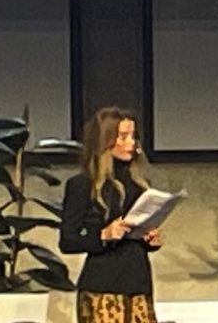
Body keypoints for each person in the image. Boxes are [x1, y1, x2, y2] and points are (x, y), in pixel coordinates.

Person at [60, 107, 163, 323]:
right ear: (105, 141)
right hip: (103, 286)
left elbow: (137, 237)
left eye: (133, 136)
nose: (131, 143)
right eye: (123, 137)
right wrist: (103, 236)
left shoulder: (141, 185)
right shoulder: (82, 185)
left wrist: (150, 239)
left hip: (138, 283)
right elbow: (67, 241)